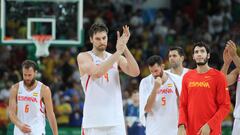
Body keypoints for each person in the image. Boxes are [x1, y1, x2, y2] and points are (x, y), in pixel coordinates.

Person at [77, 23, 140, 135]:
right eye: (97, 39)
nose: (102, 41)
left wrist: (124, 47)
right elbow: (97, 73)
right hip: (94, 121)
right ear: (91, 39)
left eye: (104, 38)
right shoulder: (84, 56)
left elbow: (135, 72)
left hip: (116, 120)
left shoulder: (116, 57)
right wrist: (118, 52)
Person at [178, 42, 231, 135]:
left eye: (202, 51)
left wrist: (210, 125)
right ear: (193, 56)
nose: (199, 54)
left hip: (211, 131)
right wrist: (181, 125)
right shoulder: (187, 76)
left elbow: (225, 106)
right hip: (190, 131)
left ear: (208, 55)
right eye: (196, 52)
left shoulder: (219, 77)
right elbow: (183, 104)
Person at [8, 60, 58, 135]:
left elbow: (50, 114)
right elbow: (11, 113)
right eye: (25, 75)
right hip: (20, 129)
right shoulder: (15, 88)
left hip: (37, 129)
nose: (27, 78)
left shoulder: (44, 89)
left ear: (35, 73)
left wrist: (55, 133)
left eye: (29, 75)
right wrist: (19, 125)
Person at [139, 55, 181, 135]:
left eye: (156, 71)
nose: (154, 74)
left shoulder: (176, 80)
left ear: (162, 66)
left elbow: (182, 104)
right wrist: (155, 88)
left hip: (173, 129)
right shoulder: (145, 82)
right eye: (151, 71)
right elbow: (147, 109)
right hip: (154, 129)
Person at [221, 40, 240, 135]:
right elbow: (222, 82)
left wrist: (234, 56)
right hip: (238, 119)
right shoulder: (238, 71)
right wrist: (226, 63)